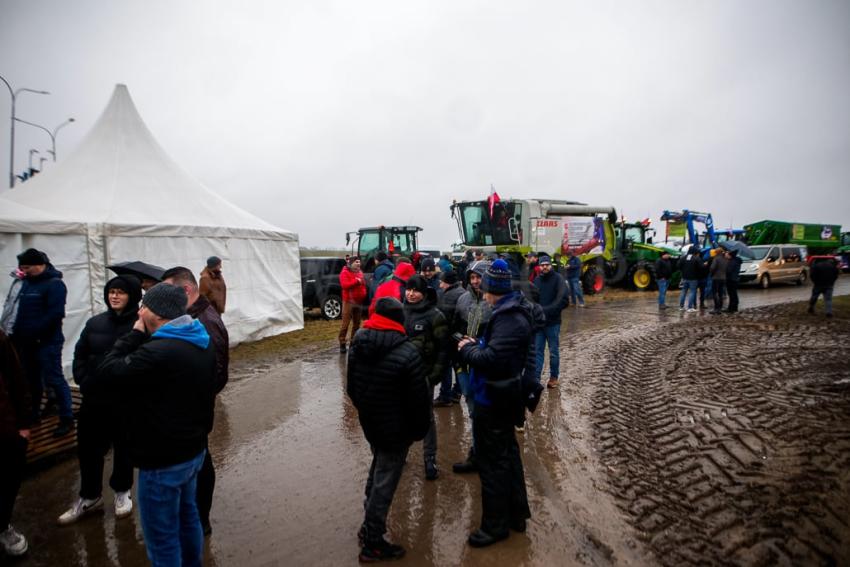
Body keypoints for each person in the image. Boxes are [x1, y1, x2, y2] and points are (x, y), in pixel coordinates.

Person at [91, 283, 215, 567]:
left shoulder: (159, 350)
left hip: (163, 460)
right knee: (188, 519)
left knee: (162, 539)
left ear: (156, 313)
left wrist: (134, 334)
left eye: (144, 305)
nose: (139, 309)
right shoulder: (199, 337)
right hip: (192, 449)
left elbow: (107, 372)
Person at [346, 297, 430, 562]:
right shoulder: (408, 353)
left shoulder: (358, 342)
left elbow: (352, 388)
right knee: (385, 482)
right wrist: (417, 432)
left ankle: (367, 527)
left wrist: (367, 411)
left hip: (371, 422)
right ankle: (372, 541)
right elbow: (419, 403)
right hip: (397, 430)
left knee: (378, 469)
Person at [457, 259, 533, 547]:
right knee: (507, 457)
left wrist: (467, 349)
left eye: (485, 285)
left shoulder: (509, 317)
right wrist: (478, 345)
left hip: (495, 398)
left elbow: (492, 360)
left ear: (493, 288)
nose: (482, 291)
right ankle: (516, 515)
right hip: (502, 395)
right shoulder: (509, 312)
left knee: (493, 464)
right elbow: (497, 352)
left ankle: (495, 526)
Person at [57, 275, 142, 526]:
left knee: (124, 448)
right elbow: (79, 354)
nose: (114, 296)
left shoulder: (141, 326)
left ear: (133, 296)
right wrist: (84, 380)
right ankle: (89, 495)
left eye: (120, 292)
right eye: (111, 291)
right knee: (89, 449)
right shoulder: (95, 323)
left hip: (124, 401)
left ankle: (121, 491)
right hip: (94, 399)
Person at [162, 267, 230, 537]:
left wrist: (197, 395)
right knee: (191, 457)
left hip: (195, 404)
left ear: (186, 290)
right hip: (185, 403)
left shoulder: (206, 320)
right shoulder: (187, 316)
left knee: (201, 459)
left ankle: (202, 518)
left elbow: (218, 372)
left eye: (169, 290)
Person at [10, 248, 73, 436]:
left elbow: (55, 314)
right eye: (22, 267)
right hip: (26, 342)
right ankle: (34, 412)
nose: (24, 270)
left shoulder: (54, 285)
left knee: (54, 378)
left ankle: (66, 417)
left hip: (47, 341)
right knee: (31, 379)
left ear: (40, 265)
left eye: (27, 267)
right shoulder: (25, 283)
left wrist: (34, 331)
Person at [403, 275, 449, 480]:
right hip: (401, 376)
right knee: (402, 416)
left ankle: (429, 458)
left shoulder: (435, 315)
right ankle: (400, 454)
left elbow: (443, 349)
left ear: (424, 293)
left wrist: (434, 376)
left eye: (415, 290)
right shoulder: (399, 312)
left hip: (424, 376)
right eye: (408, 289)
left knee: (426, 419)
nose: (411, 294)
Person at [451, 261, 492, 474]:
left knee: (487, 410)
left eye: (479, 277)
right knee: (471, 403)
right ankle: (477, 453)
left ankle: (486, 453)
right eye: (472, 277)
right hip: (465, 361)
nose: (475, 281)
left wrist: (480, 342)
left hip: (487, 363)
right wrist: (461, 339)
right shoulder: (462, 300)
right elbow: (454, 328)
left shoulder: (492, 302)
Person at [0, 330, 31, 557]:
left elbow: (16, 378)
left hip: (3, 425)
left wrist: (23, 423)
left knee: (8, 477)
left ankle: (2, 526)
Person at [532, 254, 568, 389]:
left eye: (547, 264)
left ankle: (554, 377)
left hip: (553, 323)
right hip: (539, 324)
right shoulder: (536, 281)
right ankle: (536, 378)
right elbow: (532, 301)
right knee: (538, 351)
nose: (545, 267)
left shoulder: (558, 279)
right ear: (539, 266)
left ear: (551, 265)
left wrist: (548, 311)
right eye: (542, 265)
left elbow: (564, 301)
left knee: (553, 352)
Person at [434, 271, 466, 406]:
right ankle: (458, 392)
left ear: (448, 282)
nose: (440, 285)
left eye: (442, 282)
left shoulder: (447, 296)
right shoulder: (463, 292)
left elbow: (443, 319)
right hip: (461, 336)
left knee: (446, 366)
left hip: (449, 337)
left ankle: (445, 396)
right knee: (459, 365)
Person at [338, 256, 367, 353]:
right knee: (345, 324)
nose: (359, 264)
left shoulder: (360, 272)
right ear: (351, 263)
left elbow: (363, 285)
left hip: (359, 302)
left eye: (359, 262)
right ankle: (342, 343)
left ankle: (353, 343)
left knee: (357, 324)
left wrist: (364, 293)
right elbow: (344, 285)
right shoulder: (344, 273)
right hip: (348, 302)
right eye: (356, 262)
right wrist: (356, 281)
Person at [678, 246, 701, 312]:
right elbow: (701, 267)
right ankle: (690, 307)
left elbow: (678, 266)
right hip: (693, 278)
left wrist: (683, 270)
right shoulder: (696, 258)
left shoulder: (683, 258)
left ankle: (681, 307)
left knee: (683, 291)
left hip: (684, 277)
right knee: (692, 292)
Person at [709, 249, 728, 315]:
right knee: (720, 293)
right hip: (723, 278)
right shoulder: (725, 259)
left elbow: (712, 268)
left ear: (717, 253)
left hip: (716, 278)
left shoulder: (716, 259)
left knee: (715, 293)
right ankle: (720, 307)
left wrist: (711, 274)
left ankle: (716, 308)